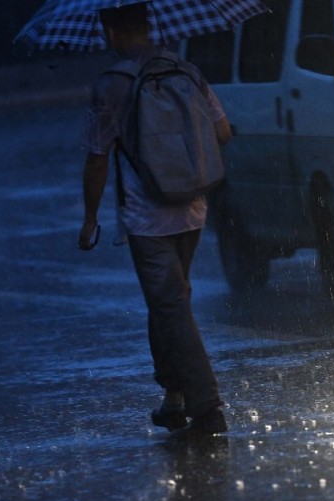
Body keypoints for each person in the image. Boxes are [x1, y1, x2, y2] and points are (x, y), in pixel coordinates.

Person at [78, 3, 231, 435]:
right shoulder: (185, 70)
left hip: (147, 216)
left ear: (111, 31)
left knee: (170, 305)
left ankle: (207, 407)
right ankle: (173, 398)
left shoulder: (111, 84)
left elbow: (96, 158)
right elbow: (222, 132)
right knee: (168, 303)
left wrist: (90, 218)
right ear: (150, 24)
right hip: (194, 206)